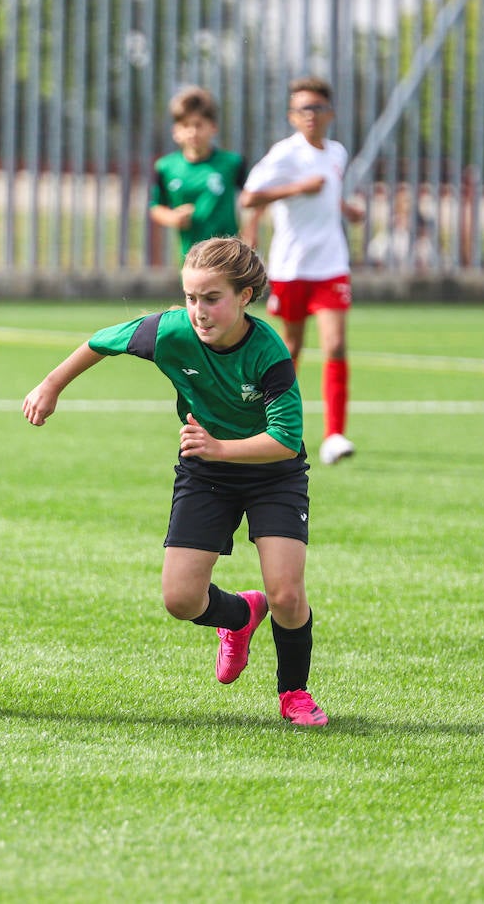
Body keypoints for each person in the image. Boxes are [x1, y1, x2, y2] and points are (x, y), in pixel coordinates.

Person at [22, 236, 328, 727]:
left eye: (212, 299)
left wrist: (221, 447)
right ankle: (240, 616)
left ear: (245, 296)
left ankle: (294, 693)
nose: (199, 311)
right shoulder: (168, 332)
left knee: (288, 595)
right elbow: (101, 341)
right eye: (191, 298)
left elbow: (287, 440)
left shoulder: (269, 353)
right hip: (206, 472)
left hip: (273, 475)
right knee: (181, 600)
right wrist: (50, 386)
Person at [239, 76, 365, 467]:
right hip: (292, 266)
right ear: (292, 116)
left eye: (316, 108)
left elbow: (328, 192)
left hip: (331, 264)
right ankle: (274, 425)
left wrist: (346, 209)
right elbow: (249, 196)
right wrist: (296, 190)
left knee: (336, 345)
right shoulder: (284, 155)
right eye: (301, 109)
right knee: (289, 349)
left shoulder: (338, 153)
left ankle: (335, 435)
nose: (309, 115)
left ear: (330, 113)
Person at [149, 86, 248, 260]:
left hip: (228, 257)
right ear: (175, 131)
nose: (193, 132)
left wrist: (250, 230)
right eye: (186, 125)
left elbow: (252, 200)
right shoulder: (166, 167)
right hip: (190, 256)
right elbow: (156, 207)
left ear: (213, 127)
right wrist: (173, 217)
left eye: (199, 125)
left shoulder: (232, 163)